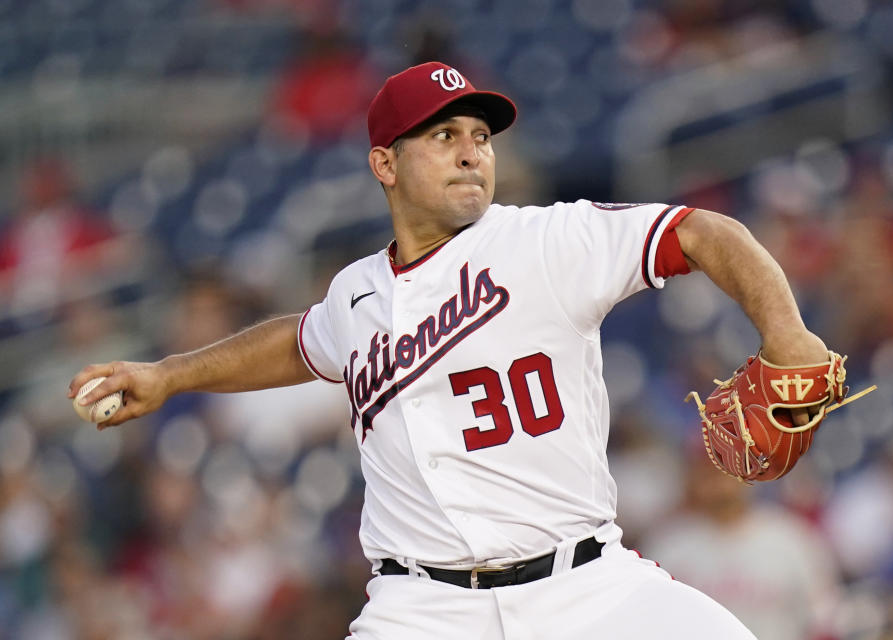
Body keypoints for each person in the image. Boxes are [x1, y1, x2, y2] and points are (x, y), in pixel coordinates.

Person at [70, 62, 831, 639]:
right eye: (444, 137)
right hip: (420, 608)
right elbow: (300, 344)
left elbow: (700, 231)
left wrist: (787, 333)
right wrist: (170, 375)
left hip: (585, 589)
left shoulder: (546, 238)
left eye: (479, 137)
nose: (472, 152)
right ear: (385, 165)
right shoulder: (356, 292)